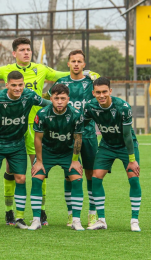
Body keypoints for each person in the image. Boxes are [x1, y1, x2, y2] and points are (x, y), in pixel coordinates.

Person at [0, 37, 98, 225]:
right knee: (9, 172)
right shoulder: (5, 71)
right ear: (14, 53)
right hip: (11, 131)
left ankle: (40, 212)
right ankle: (9, 212)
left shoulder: (41, 69)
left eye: (28, 49)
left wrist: (89, 73)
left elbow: (62, 75)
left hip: (37, 128)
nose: (26, 52)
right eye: (22, 50)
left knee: (37, 169)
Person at [0, 71, 51, 229]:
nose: (17, 88)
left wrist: (63, 105)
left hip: (17, 145)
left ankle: (19, 218)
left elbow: (47, 104)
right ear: (7, 85)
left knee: (21, 179)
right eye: (13, 85)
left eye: (20, 85)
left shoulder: (29, 96)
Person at [45, 50, 98, 227]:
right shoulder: (61, 82)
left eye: (79, 61)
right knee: (70, 174)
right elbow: (49, 99)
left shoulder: (92, 82)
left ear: (84, 64)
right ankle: (71, 215)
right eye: (73, 61)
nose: (76, 64)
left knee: (91, 174)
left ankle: (92, 214)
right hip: (67, 136)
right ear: (68, 64)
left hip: (88, 133)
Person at [84, 77, 141, 232]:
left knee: (133, 179)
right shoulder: (90, 107)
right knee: (96, 178)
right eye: (98, 92)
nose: (101, 95)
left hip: (126, 146)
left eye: (104, 92)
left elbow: (127, 135)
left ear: (110, 91)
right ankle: (101, 220)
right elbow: (81, 124)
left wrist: (132, 159)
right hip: (107, 146)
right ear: (93, 93)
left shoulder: (123, 107)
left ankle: (134, 221)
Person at [30, 83, 84, 231]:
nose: (59, 101)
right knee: (36, 178)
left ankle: (76, 220)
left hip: (67, 152)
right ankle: (36, 220)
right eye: (56, 98)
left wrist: (75, 161)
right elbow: (38, 139)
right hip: (47, 152)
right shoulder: (42, 114)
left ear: (68, 99)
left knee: (77, 179)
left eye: (62, 98)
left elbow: (78, 139)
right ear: (51, 98)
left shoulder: (77, 114)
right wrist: (39, 161)